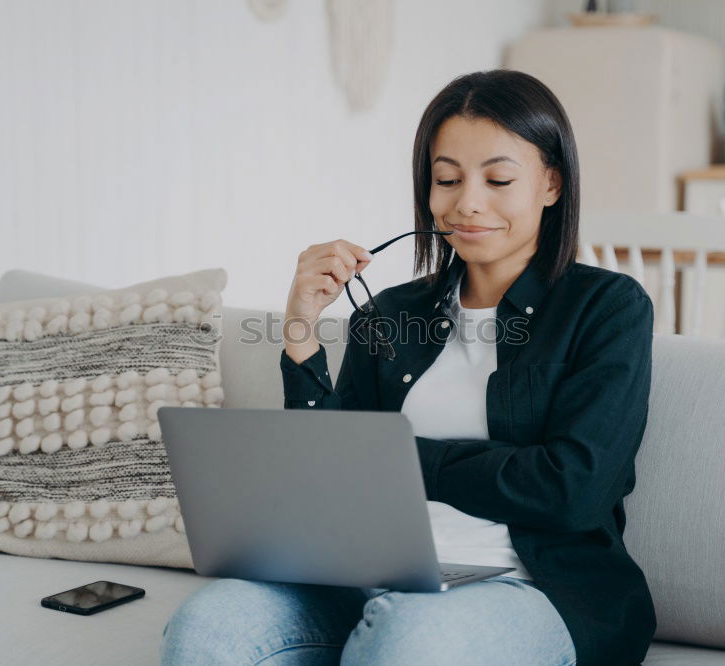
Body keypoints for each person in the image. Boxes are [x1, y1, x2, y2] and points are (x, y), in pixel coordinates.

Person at [160, 69, 656, 665]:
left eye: (498, 178)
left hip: (531, 588)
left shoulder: (607, 308)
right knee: (206, 627)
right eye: (447, 179)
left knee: (407, 638)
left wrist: (398, 458)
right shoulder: (391, 312)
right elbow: (328, 471)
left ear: (551, 182)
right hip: (368, 574)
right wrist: (301, 334)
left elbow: (571, 489)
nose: (468, 202)